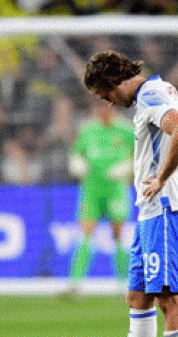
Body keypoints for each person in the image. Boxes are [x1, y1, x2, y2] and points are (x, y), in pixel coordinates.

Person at [83, 51, 178, 337]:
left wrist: (163, 177)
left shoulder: (150, 95)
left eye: (106, 95)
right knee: (138, 297)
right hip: (150, 209)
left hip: (165, 206)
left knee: (169, 300)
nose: (109, 103)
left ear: (113, 79)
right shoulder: (160, 90)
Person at [61, 100, 135, 299]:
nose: (103, 111)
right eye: (99, 107)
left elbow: (141, 156)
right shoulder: (88, 130)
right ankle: (75, 284)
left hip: (116, 190)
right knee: (86, 233)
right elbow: (76, 152)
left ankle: (124, 284)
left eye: (106, 107)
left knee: (118, 235)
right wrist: (76, 162)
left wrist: (128, 167)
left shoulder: (126, 130)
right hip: (91, 189)